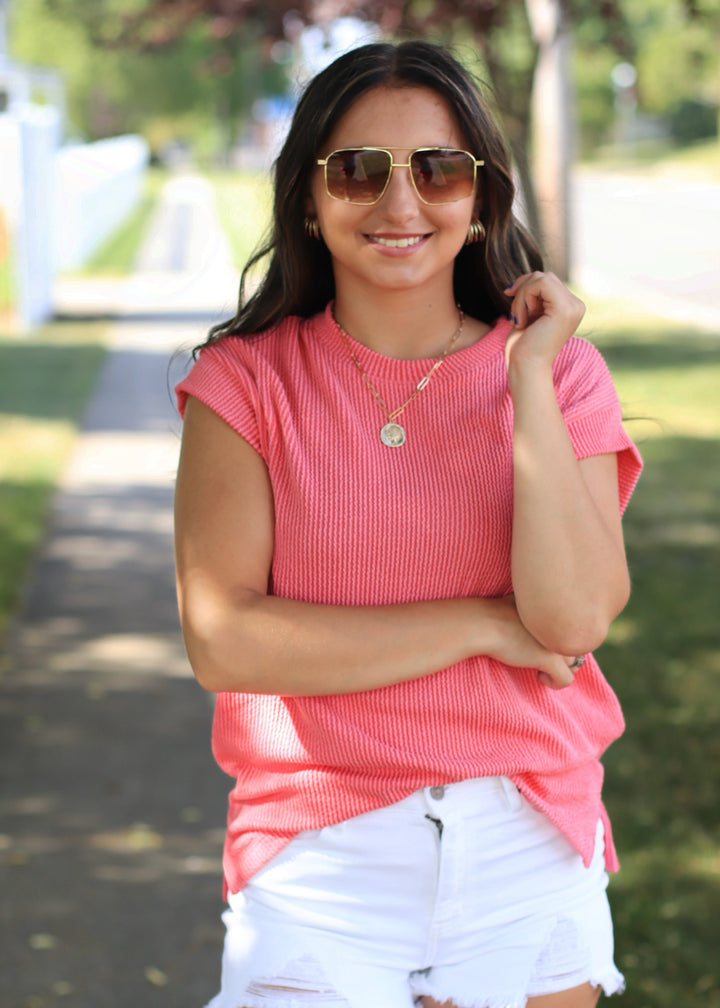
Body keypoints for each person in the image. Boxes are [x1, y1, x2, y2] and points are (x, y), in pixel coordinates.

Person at [174, 39, 643, 1008]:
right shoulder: (246, 384)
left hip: (528, 837)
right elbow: (227, 639)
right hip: (318, 854)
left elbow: (571, 622)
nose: (400, 204)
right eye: (359, 171)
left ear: (479, 200)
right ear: (309, 196)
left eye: (437, 170)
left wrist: (528, 383)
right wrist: (479, 623)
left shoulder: (557, 376)